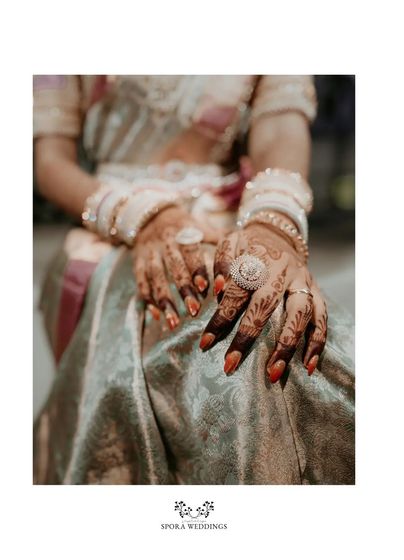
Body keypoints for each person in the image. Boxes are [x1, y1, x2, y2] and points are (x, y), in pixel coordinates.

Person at [33, 75, 354, 484]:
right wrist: (142, 216)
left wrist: (273, 227)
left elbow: (280, 125)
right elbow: (50, 163)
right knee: (227, 339)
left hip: (236, 225)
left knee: (276, 317)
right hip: (117, 228)